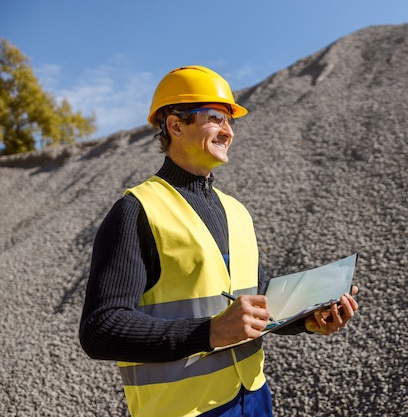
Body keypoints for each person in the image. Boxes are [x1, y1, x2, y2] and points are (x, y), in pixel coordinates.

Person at [79, 65, 359, 417]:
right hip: (182, 411)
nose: (228, 131)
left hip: (254, 397)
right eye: (215, 118)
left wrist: (308, 318)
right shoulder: (137, 210)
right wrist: (208, 332)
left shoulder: (236, 211)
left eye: (230, 121)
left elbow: (252, 305)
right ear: (176, 126)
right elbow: (100, 329)